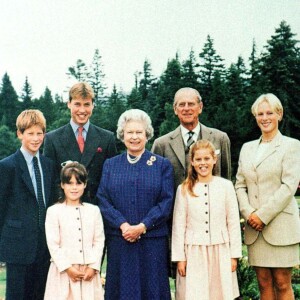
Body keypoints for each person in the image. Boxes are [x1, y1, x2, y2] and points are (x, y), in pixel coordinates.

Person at [151, 87, 232, 278]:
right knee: (184, 280)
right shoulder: (161, 144)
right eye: (182, 104)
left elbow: (226, 178)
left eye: (191, 104)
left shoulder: (220, 139)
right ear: (175, 109)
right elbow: (155, 189)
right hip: (176, 227)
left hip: (213, 228)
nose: (187, 108)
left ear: (200, 107)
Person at [97, 109, 174, 300]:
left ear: (147, 134)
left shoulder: (162, 165)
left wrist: (142, 226)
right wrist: (123, 225)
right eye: (129, 132)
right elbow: (103, 199)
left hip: (152, 242)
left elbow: (166, 202)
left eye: (139, 132)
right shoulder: (110, 165)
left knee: (153, 291)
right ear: (122, 135)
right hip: (120, 241)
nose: (134, 137)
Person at [235, 93, 300, 300]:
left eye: (269, 113)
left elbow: (289, 186)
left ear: (279, 114)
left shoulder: (292, 146)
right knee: (263, 283)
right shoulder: (247, 148)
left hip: (280, 226)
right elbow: (239, 185)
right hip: (255, 230)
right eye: (260, 114)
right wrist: (249, 213)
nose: (265, 118)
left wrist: (262, 215)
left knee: (282, 283)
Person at [172, 140, 241, 300]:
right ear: (192, 162)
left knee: (220, 293)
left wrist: (234, 255)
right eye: (198, 159)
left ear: (214, 159)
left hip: (221, 251)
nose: (203, 163)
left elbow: (233, 223)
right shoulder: (183, 189)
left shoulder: (226, 186)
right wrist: (180, 258)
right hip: (194, 252)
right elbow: (178, 225)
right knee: (196, 293)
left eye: (206, 159)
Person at [0, 110, 56, 300]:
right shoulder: (7, 166)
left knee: (40, 295)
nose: (35, 138)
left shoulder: (49, 165)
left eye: (39, 133)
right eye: (30, 133)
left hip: (44, 247)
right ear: (19, 134)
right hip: (17, 246)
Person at [43, 82, 117, 205]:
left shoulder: (107, 138)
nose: (82, 110)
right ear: (69, 104)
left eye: (87, 104)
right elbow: (50, 181)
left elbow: (112, 181)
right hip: (65, 211)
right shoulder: (52, 139)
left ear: (93, 105)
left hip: (98, 211)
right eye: (77, 104)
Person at [44, 161, 105, 299]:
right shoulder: (54, 211)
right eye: (69, 183)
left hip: (88, 273)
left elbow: (99, 240)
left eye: (78, 183)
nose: (74, 188)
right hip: (63, 272)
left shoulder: (93, 211)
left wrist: (94, 266)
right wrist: (68, 268)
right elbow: (53, 244)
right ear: (62, 185)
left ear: (85, 184)